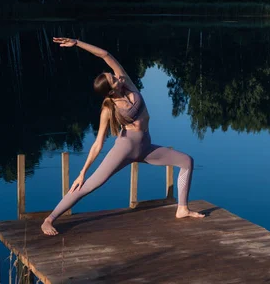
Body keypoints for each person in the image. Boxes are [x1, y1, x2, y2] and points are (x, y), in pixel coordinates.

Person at [41, 37, 204, 235]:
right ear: (111, 90)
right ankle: (49, 219)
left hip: (145, 147)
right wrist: (82, 172)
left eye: (114, 75)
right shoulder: (109, 110)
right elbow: (98, 144)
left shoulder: (129, 85)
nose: (118, 77)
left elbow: (105, 55)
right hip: (124, 149)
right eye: (114, 79)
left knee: (186, 161)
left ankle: (182, 208)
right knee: (88, 185)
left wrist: (77, 43)